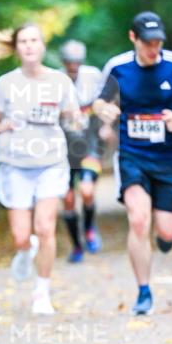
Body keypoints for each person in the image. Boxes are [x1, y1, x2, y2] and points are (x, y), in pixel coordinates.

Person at [93, 11, 172, 315]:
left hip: (170, 157)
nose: (154, 48)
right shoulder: (118, 67)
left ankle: (168, 231)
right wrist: (104, 111)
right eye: (148, 42)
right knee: (138, 219)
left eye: (158, 42)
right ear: (133, 38)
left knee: (167, 232)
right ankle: (144, 292)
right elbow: (100, 100)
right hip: (133, 154)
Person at [0, 23, 80, 315]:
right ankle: (25, 250)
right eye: (23, 41)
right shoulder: (6, 83)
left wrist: (78, 121)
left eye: (34, 40)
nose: (29, 45)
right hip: (15, 165)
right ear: (16, 48)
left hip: (50, 162)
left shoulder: (60, 82)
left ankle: (42, 292)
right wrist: (1, 126)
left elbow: (75, 118)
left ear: (43, 45)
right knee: (22, 236)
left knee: (45, 227)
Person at [59, 39, 104, 262]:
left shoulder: (94, 76)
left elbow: (107, 102)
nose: (73, 67)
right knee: (67, 200)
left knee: (86, 191)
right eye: (69, 63)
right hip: (63, 149)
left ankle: (89, 230)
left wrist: (106, 125)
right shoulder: (54, 80)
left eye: (76, 63)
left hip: (90, 144)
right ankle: (76, 246)